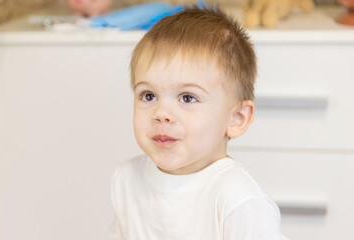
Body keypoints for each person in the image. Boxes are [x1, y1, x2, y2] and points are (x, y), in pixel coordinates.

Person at [107, 5, 288, 240]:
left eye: (187, 98)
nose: (161, 113)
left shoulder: (239, 200)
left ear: (236, 118)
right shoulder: (126, 179)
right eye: (149, 95)